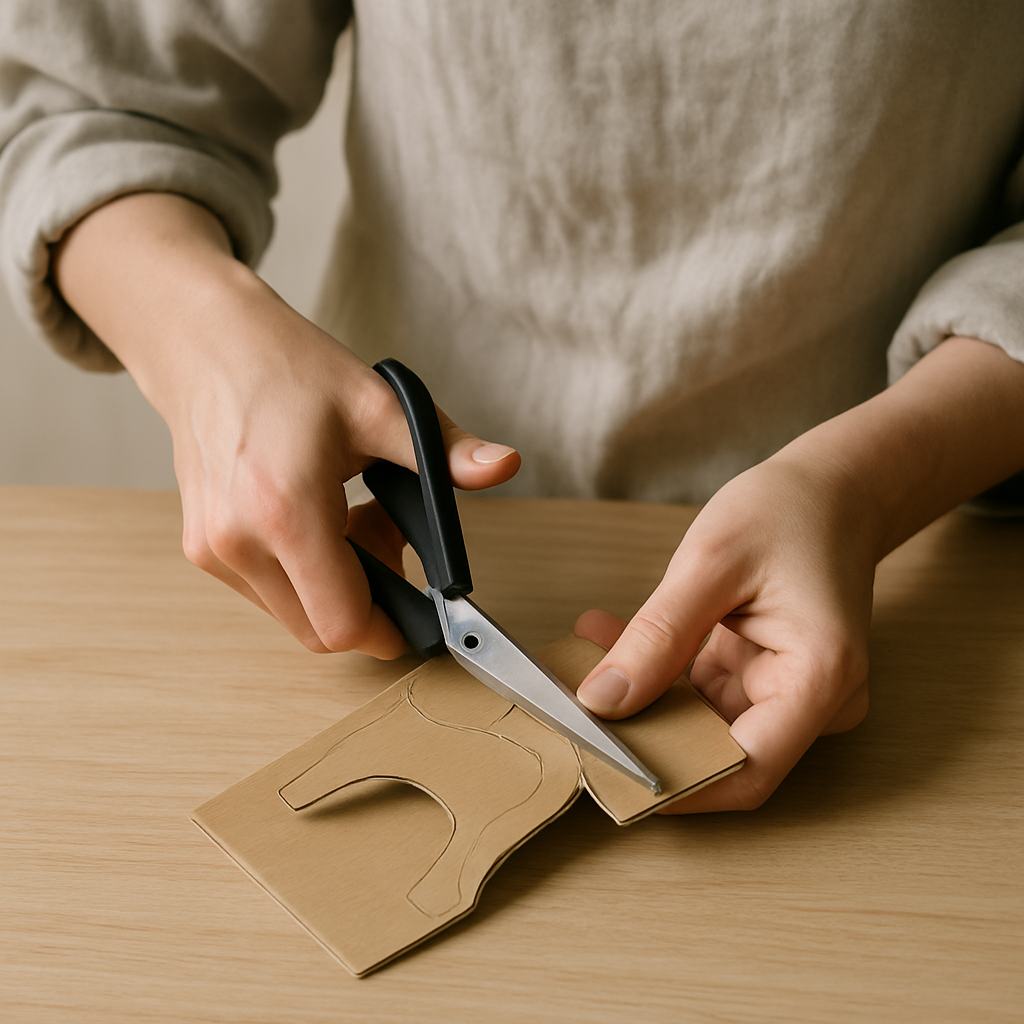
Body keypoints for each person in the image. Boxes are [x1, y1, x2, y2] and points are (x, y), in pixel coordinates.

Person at [2, 3, 1024, 813]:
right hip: (379, 526)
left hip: (923, 550)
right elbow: (87, 101)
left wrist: (862, 485)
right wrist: (207, 344)